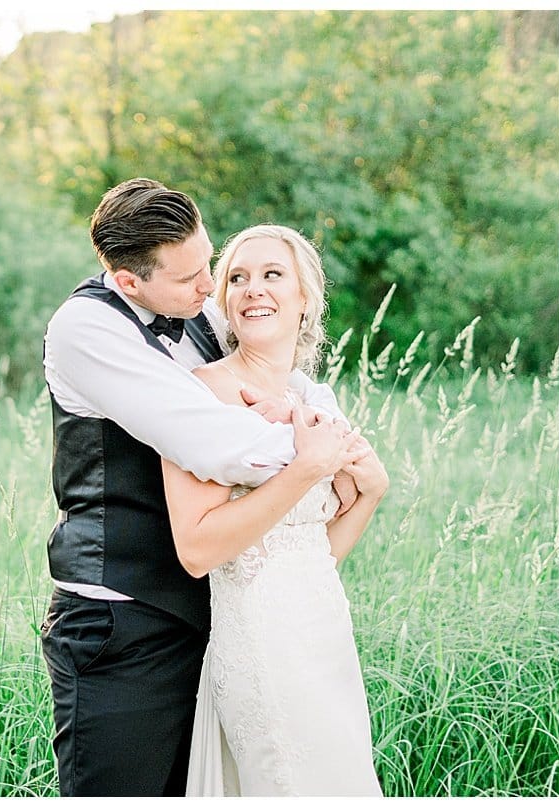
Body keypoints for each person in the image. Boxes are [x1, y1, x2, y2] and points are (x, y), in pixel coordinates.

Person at [41, 178, 366, 796]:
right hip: (120, 618)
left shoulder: (195, 309)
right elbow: (213, 443)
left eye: (210, 262)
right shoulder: (85, 329)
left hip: (217, 615)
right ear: (131, 281)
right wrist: (323, 451)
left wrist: (323, 426)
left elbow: (280, 371)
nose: (211, 288)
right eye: (192, 277)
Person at [173, 224, 387, 795]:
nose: (252, 290)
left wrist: (374, 491)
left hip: (325, 637)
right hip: (262, 648)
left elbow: (320, 553)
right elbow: (197, 552)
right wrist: (308, 470)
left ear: (305, 299)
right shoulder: (200, 393)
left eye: (272, 275)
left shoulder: (312, 399)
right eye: (237, 279)